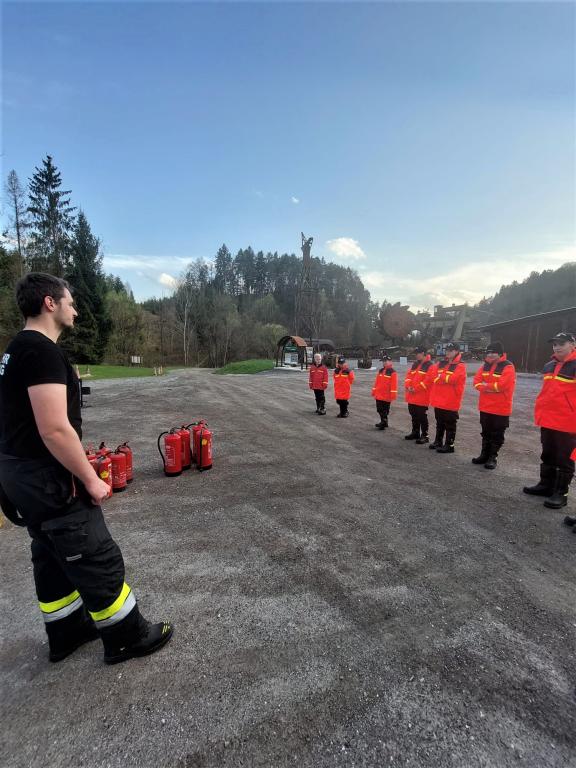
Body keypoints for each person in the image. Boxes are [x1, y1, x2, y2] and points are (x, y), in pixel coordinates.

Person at [0, 273, 173, 665]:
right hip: (47, 479)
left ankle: (66, 630)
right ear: (49, 303)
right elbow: (54, 429)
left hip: (21, 476)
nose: (75, 310)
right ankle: (127, 636)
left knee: (51, 554)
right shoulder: (41, 351)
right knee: (93, 553)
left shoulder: (15, 350)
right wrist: (90, 478)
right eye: (70, 301)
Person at [523, 332, 576, 509]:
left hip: (567, 422)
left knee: (564, 458)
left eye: (562, 343)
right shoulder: (549, 365)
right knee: (548, 454)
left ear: (572, 345)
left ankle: (561, 494)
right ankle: (546, 486)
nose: (557, 347)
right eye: (554, 344)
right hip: (547, 419)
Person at [471, 341, 516, 469]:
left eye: (493, 352)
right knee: (485, 432)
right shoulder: (485, 366)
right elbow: (476, 382)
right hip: (485, 407)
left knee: (497, 434)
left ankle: (492, 457)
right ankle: (484, 455)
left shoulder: (508, 366)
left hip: (500, 408)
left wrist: (485, 387)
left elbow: (503, 385)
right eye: (488, 352)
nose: (490, 355)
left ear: (500, 353)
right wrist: (490, 388)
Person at [429, 342, 467, 453]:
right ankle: (438, 441)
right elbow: (432, 375)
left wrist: (440, 377)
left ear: (457, 351)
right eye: (447, 350)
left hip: (451, 399)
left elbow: (454, 379)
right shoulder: (441, 363)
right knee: (439, 422)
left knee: (450, 424)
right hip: (439, 398)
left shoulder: (460, 365)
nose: (448, 352)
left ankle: (449, 445)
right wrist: (444, 379)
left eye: (451, 350)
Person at [403, 346, 436, 444]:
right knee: (413, 414)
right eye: (416, 353)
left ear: (423, 353)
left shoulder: (430, 365)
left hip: (422, 396)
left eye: (417, 353)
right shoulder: (415, 364)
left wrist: (415, 388)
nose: (416, 355)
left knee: (421, 416)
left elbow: (428, 381)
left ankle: (425, 436)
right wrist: (408, 386)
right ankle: (415, 432)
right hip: (412, 395)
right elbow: (409, 376)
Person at [371, 356, 398, 430]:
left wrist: (393, 395)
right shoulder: (381, 370)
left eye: (386, 361)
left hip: (387, 395)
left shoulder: (392, 372)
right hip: (379, 394)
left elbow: (394, 384)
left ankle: (384, 422)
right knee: (379, 409)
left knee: (385, 410)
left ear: (390, 362)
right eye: (383, 361)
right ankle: (384, 422)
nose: (384, 362)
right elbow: (377, 382)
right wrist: (374, 391)